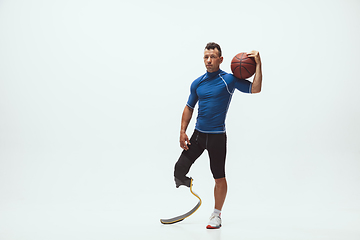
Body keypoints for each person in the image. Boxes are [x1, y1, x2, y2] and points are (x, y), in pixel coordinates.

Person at [173, 42, 262, 229]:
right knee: (178, 170)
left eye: (213, 57)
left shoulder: (229, 80)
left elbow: (256, 88)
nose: (209, 60)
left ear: (221, 59)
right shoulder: (197, 83)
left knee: (219, 177)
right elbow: (189, 107)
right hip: (198, 136)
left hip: (217, 137)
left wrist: (259, 64)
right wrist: (182, 132)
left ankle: (216, 214)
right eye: (206, 57)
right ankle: (189, 185)